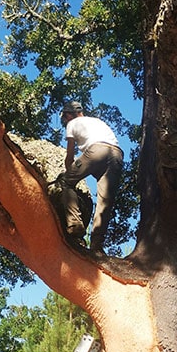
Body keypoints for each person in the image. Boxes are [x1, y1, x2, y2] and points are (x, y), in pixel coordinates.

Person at [58, 101, 123, 253]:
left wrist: (71, 173)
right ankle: (97, 245)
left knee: (65, 182)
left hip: (97, 150)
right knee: (105, 201)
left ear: (68, 115)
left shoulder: (72, 124)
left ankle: (74, 223)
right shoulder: (96, 121)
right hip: (117, 154)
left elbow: (69, 156)